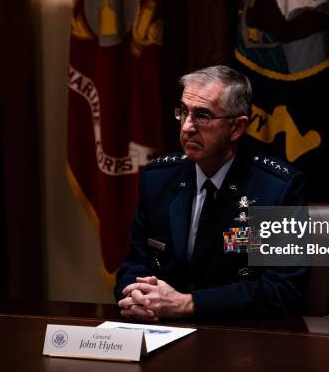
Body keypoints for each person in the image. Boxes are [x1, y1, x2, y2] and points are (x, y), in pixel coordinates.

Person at [115, 65, 309, 321]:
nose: (187, 127)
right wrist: (137, 295)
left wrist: (188, 304)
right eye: (184, 112)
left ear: (237, 128)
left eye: (203, 116)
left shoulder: (277, 189)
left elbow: (282, 289)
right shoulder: (158, 178)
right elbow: (135, 262)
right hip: (163, 330)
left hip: (244, 341)